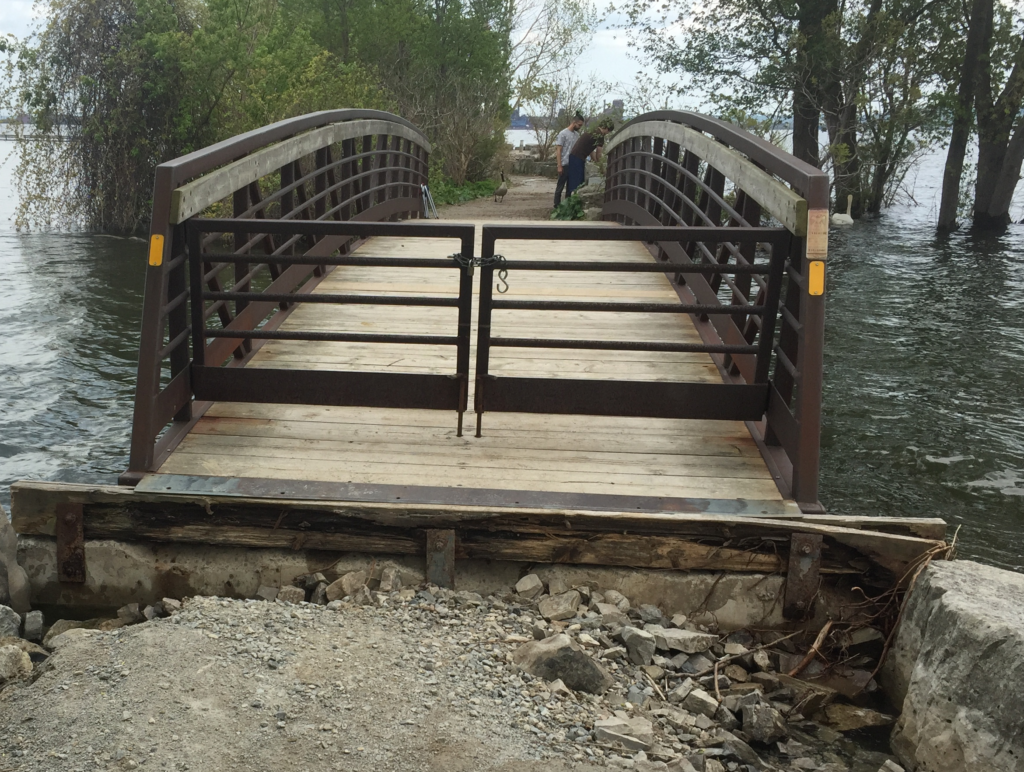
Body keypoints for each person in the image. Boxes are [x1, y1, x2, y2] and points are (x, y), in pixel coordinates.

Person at [567, 117, 614, 197]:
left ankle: (569, 200)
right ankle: (573, 201)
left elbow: (590, 150)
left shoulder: (592, 131)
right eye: (608, 131)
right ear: (606, 128)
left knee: (573, 180)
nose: (607, 133)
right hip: (578, 158)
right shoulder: (600, 136)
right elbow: (599, 154)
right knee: (578, 182)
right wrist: (602, 169)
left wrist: (595, 161)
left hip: (574, 156)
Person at [553, 113, 584, 207]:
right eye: (579, 125)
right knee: (560, 186)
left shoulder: (577, 135)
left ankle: (567, 205)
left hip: (573, 164)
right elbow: (559, 150)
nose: (579, 127)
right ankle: (556, 205)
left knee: (570, 187)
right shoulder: (563, 134)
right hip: (564, 163)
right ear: (574, 123)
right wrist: (559, 165)